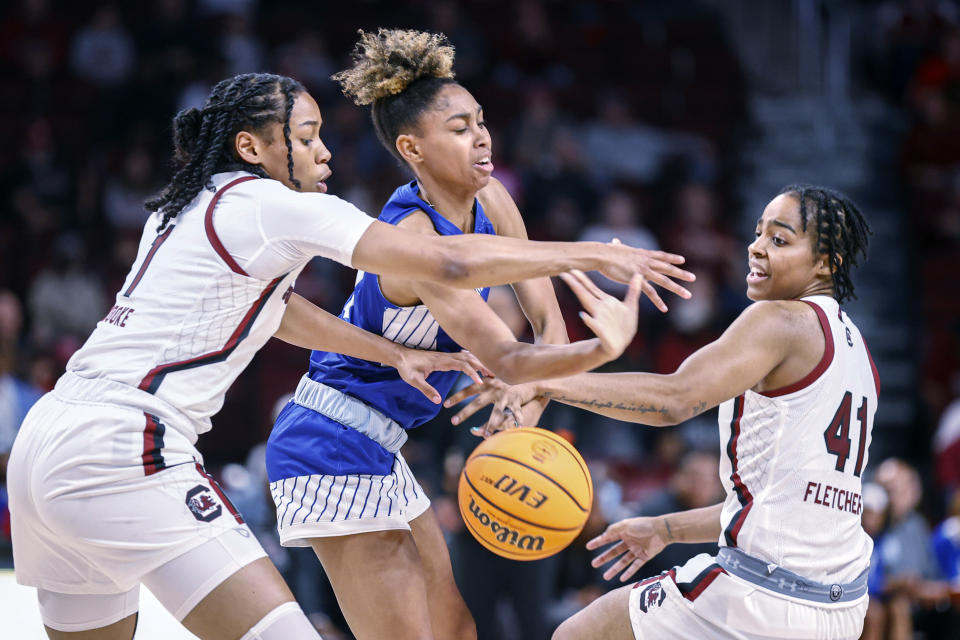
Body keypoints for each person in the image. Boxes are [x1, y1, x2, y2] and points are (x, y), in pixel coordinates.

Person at [6, 71, 692, 640]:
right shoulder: (277, 206)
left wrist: (393, 352)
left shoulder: (188, 207)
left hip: (45, 442)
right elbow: (450, 264)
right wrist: (603, 253)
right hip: (129, 446)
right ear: (252, 147)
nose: (325, 154)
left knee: (453, 629)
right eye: (305, 139)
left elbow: (279, 310)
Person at [264, 29, 694, 640]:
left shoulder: (492, 196)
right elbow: (513, 356)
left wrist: (530, 408)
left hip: (379, 446)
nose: (483, 136)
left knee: (458, 631)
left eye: (482, 121)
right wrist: (605, 343)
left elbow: (545, 324)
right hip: (327, 443)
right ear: (412, 148)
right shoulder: (412, 239)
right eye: (461, 127)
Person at [448, 185, 878, 639]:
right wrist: (666, 529)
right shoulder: (857, 354)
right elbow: (781, 507)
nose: (756, 247)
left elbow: (675, 399)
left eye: (780, 239)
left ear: (826, 263)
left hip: (763, 598)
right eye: (758, 234)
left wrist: (543, 380)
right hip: (840, 608)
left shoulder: (781, 320)